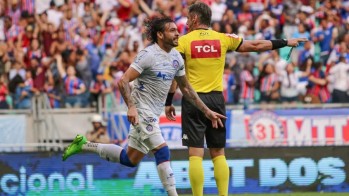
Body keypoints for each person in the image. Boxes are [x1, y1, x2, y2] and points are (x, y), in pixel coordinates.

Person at [62, 17, 226, 196]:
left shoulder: (176, 58)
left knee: (129, 159)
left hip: (152, 114)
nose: (177, 32)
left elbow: (186, 88)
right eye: (172, 30)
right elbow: (123, 81)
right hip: (141, 111)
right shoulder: (148, 55)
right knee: (162, 150)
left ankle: (84, 145)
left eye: (176, 29)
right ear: (160, 34)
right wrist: (131, 107)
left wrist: (207, 111)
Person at [164, 2, 307, 196]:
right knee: (218, 153)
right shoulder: (223, 39)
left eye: (189, 18)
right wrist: (285, 42)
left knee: (195, 154)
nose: (187, 22)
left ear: (195, 19)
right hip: (216, 99)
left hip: (193, 100)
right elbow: (255, 45)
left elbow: (176, 75)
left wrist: (169, 101)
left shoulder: (183, 42)